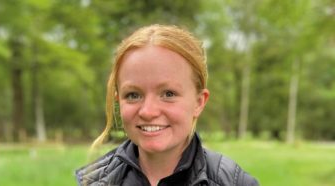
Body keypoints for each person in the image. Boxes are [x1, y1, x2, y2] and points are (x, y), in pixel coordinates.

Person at [75, 24, 259, 186]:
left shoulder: (234, 183)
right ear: (118, 101)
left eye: (168, 94)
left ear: (199, 102)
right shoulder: (94, 181)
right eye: (133, 95)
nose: (148, 111)